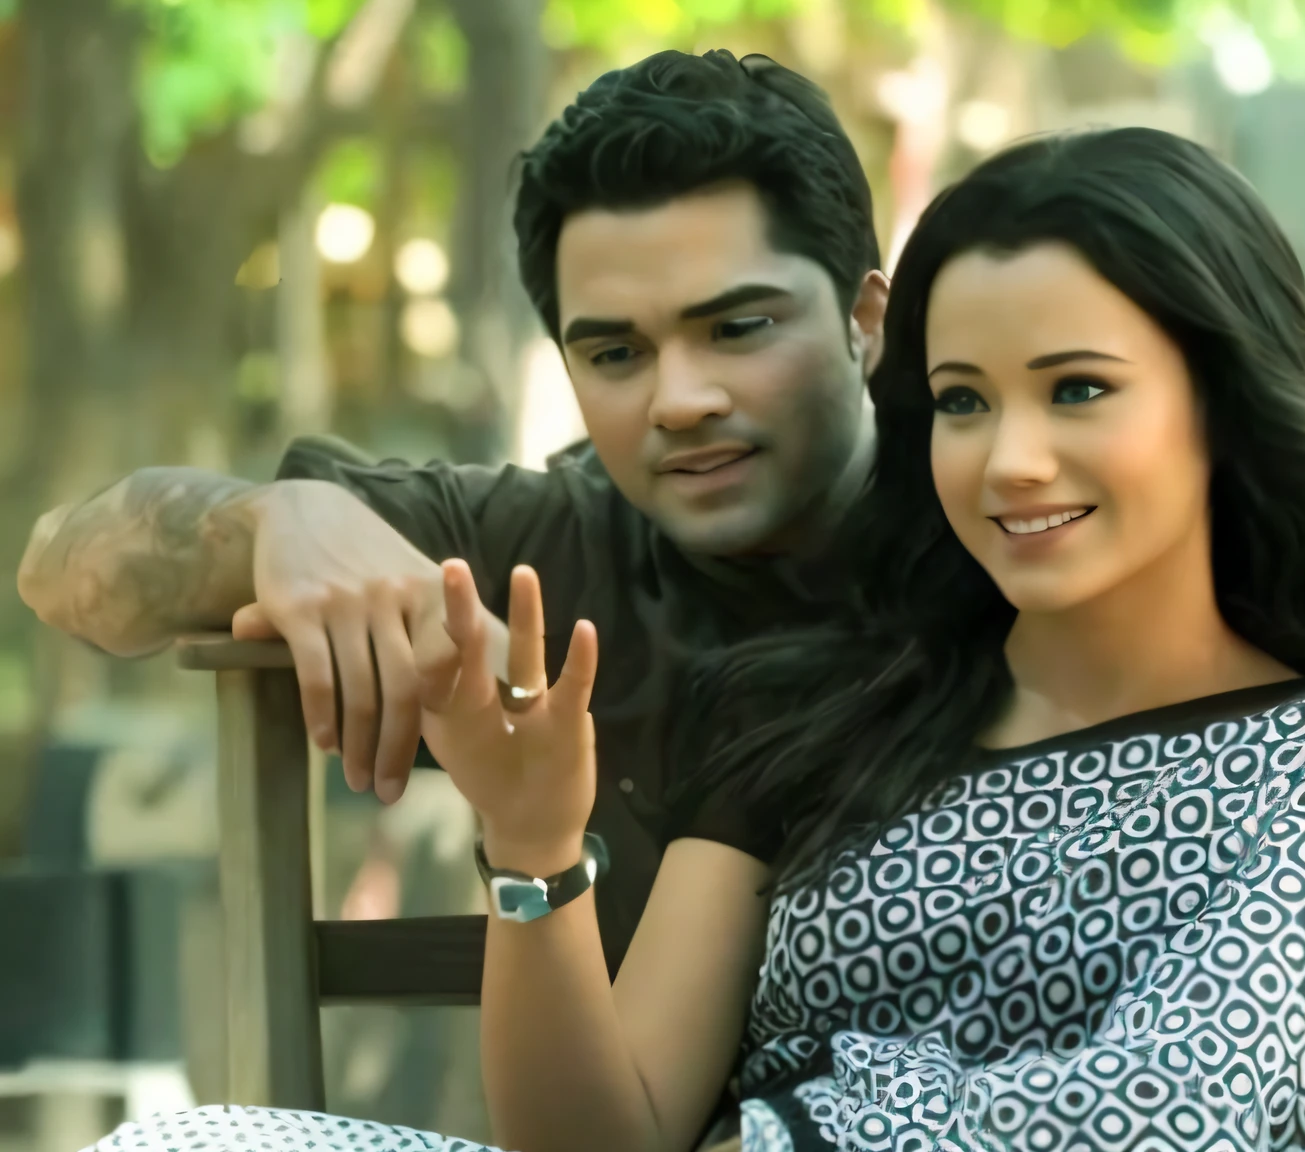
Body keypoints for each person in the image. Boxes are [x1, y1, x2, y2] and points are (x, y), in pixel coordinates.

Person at [89, 127, 1305, 1152]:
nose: (1010, 460)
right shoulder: (821, 707)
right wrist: (535, 849)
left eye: (1078, 390)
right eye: (963, 402)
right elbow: (608, 1137)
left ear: (1223, 400)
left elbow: (1169, 1108)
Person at [17, 48, 887, 975]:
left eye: (738, 328)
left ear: (865, 321)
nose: (679, 399)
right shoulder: (540, 555)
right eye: (616, 354)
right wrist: (277, 517)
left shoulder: (1007, 529)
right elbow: (61, 571)